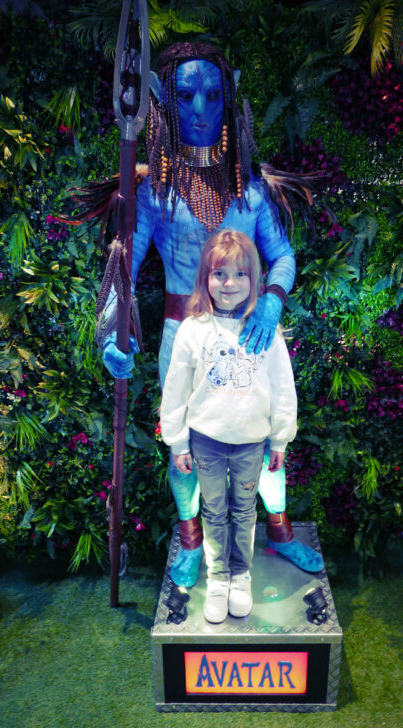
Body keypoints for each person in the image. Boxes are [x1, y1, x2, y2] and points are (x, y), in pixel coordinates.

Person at [100, 41, 324, 587]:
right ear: (164, 103)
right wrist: (113, 334)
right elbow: (122, 267)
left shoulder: (250, 190)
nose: (200, 110)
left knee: (263, 442)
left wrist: (271, 299)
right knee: (182, 442)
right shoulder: (154, 194)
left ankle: (279, 530)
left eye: (212, 95)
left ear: (229, 98)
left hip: (252, 335)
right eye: (185, 96)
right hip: (183, 336)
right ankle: (190, 540)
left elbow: (283, 256)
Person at [161, 230, 297, 623]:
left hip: (251, 443)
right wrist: (177, 442)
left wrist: (279, 440)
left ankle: (241, 576)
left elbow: (283, 388)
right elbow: (176, 390)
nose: (229, 283)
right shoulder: (192, 330)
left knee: (244, 511)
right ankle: (218, 577)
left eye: (240, 274)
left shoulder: (265, 330)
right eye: (219, 273)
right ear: (205, 277)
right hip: (206, 441)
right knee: (214, 511)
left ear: (254, 279)